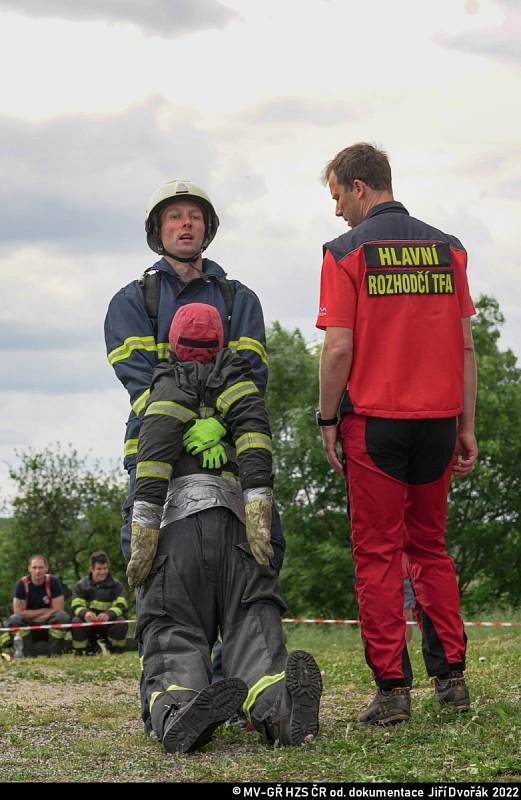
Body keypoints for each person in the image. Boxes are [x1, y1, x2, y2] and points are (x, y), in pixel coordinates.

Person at [104, 179, 286, 732]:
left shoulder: (240, 300)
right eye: (174, 217)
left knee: (259, 560)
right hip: (160, 462)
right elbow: (138, 379)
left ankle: (259, 699)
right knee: (160, 577)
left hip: (228, 462)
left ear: (207, 227)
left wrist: (218, 420)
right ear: (157, 231)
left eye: (195, 216)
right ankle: (193, 697)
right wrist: (184, 421)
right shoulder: (133, 301)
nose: (186, 225)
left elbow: (251, 374)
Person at [316, 143, 478, 726]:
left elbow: (339, 346)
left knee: (378, 555)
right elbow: (464, 345)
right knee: (430, 549)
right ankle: (452, 681)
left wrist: (326, 419)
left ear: (359, 187)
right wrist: (467, 425)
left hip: (375, 425)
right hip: (438, 421)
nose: (336, 210)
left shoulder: (346, 252)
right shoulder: (449, 248)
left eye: (336, 195)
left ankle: (392, 691)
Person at [128, 302, 322, 754]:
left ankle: (179, 710)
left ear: (173, 343)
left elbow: (151, 463)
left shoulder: (165, 387)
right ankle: (280, 708)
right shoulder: (241, 384)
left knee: (173, 628)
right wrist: (258, 520)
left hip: (175, 534)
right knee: (253, 623)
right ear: (223, 342)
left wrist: (142, 539)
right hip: (238, 529)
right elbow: (258, 449)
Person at [0, 555, 70, 657]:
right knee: (14, 620)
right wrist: (45, 611)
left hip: (48, 623)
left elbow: (58, 609)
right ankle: (28, 654)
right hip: (28, 625)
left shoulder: (53, 582)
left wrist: (31, 614)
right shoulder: (22, 584)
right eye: (34, 567)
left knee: (62, 617)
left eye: (41, 567)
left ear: (46, 568)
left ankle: (54, 654)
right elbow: (18, 612)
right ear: (29, 569)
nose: (37, 571)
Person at [70, 550, 128, 655]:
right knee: (76, 621)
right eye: (99, 569)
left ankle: (116, 651)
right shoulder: (81, 585)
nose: (103, 572)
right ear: (91, 569)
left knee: (121, 621)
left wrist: (108, 615)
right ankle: (80, 652)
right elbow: (76, 605)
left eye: (105, 568)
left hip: (108, 624)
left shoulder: (117, 586)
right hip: (88, 624)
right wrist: (85, 613)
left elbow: (121, 605)